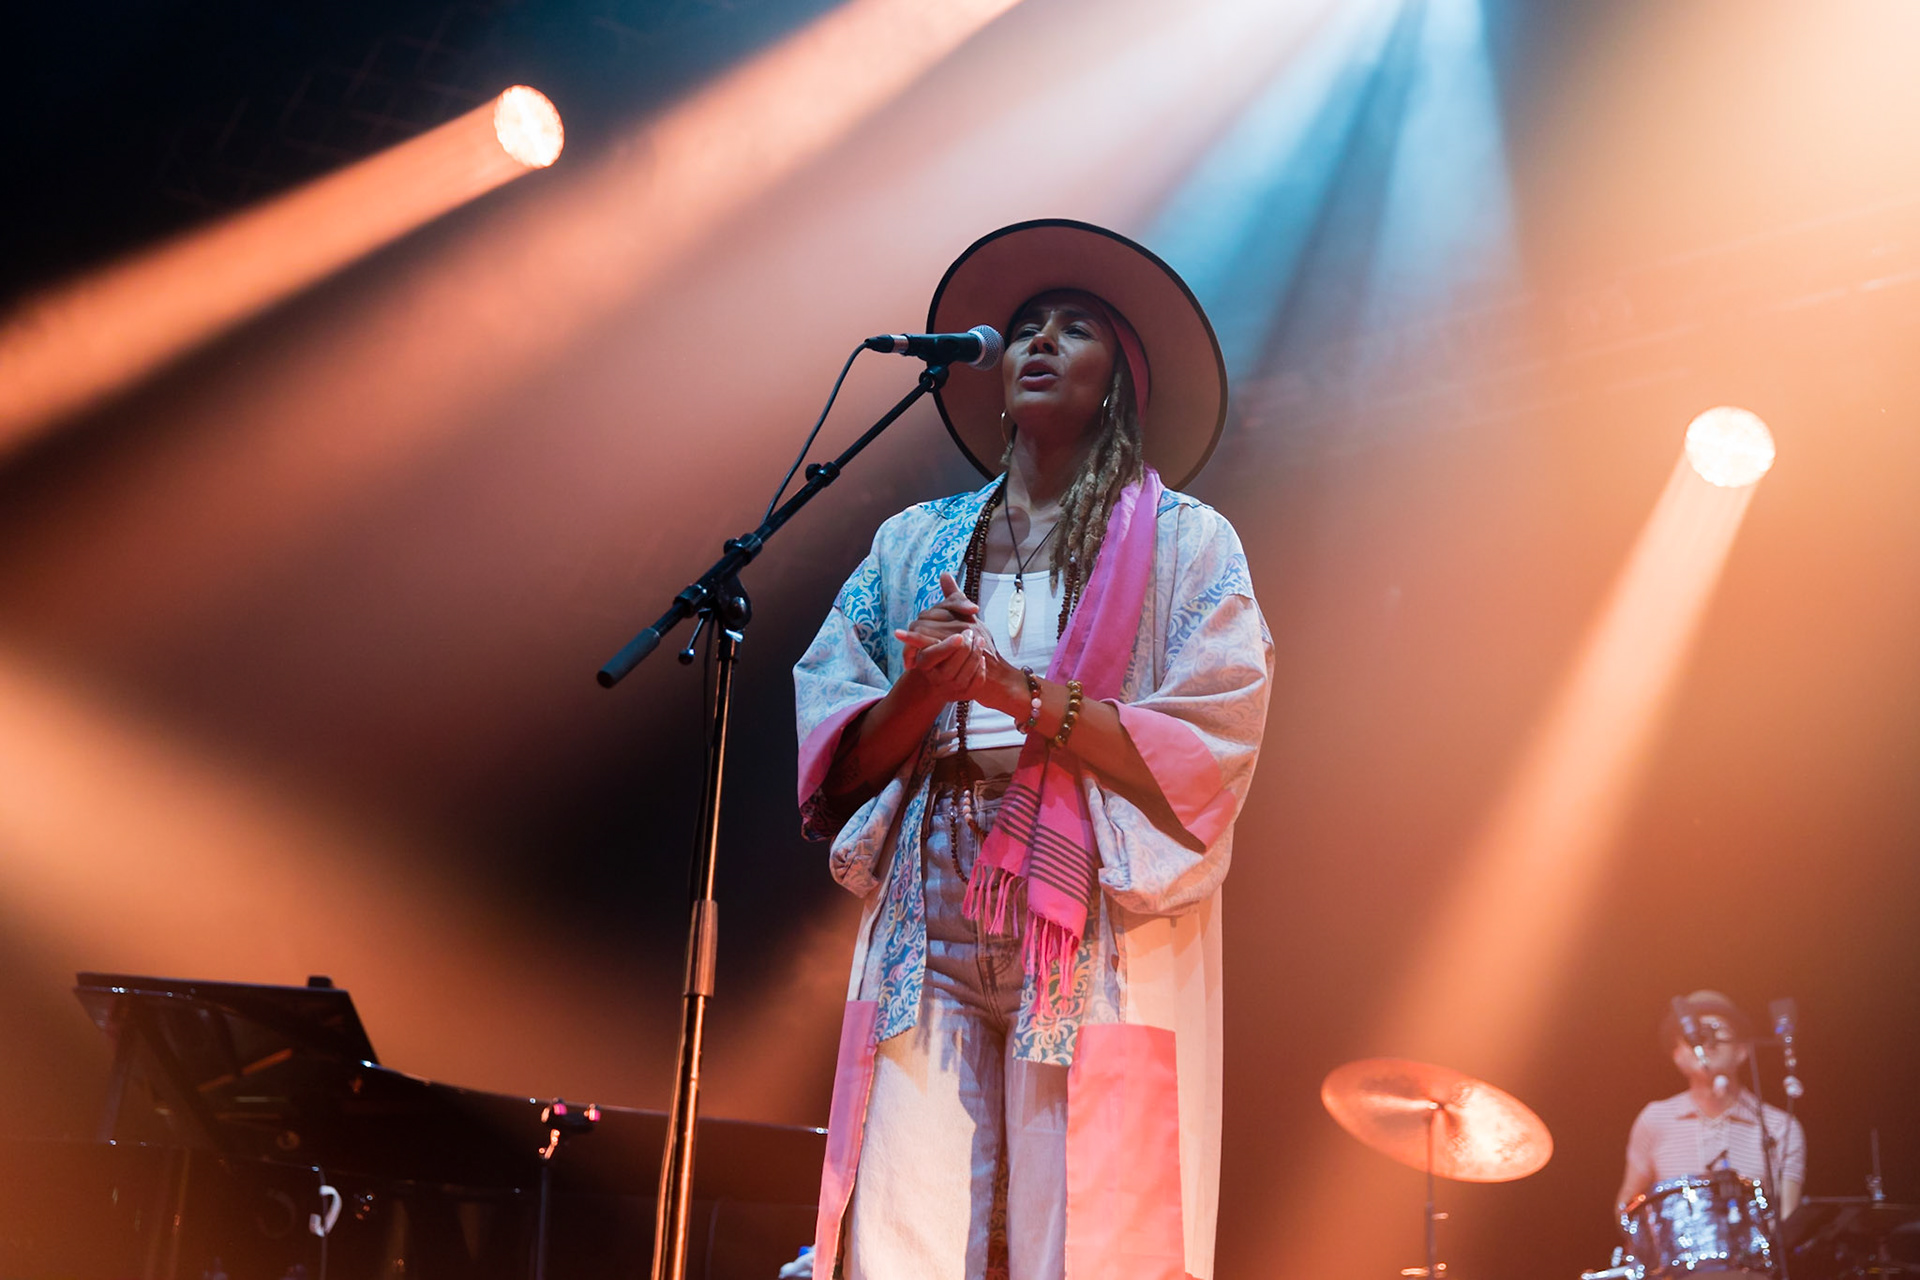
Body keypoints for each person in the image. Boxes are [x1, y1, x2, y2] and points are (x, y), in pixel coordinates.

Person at [793, 219, 1272, 1280]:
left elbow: (1207, 748)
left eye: (1074, 328)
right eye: (1024, 329)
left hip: (1085, 894)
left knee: (1088, 1227)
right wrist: (926, 685)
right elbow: (843, 764)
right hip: (932, 884)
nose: (1040, 342)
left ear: (1119, 381)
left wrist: (1013, 690)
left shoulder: (1188, 541)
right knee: (900, 1230)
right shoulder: (912, 542)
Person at [1614, 990, 1807, 1220]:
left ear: (1742, 1050)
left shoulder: (1780, 1127)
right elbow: (1626, 1205)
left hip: (1756, 1244)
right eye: (1694, 1033)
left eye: (1717, 1029)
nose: (1706, 1041)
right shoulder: (1655, 1118)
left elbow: (1789, 1219)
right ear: (1677, 1055)